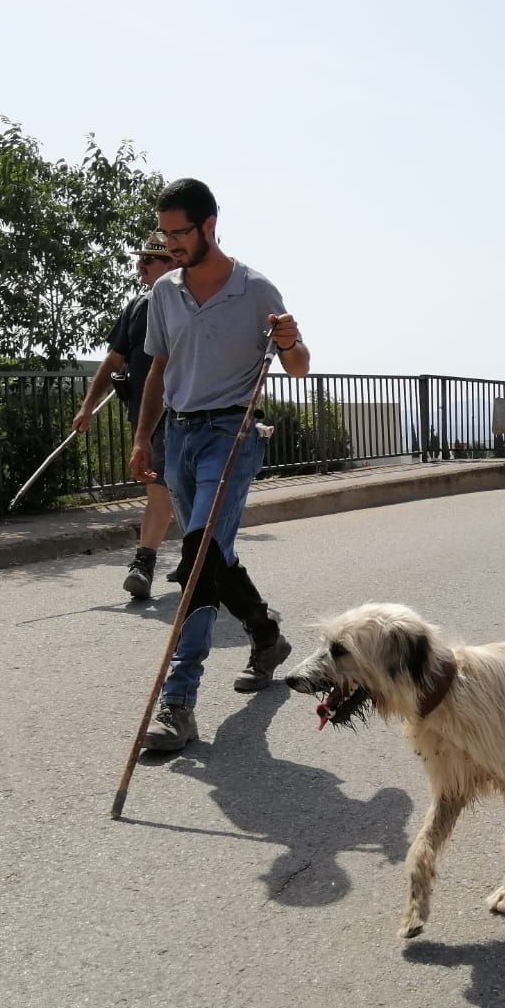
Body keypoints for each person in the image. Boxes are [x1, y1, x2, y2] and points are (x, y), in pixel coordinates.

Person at [129, 178, 311, 752]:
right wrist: (143, 439)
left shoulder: (256, 290)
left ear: (210, 225)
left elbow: (300, 366)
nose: (172, 244)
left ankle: (178, 703)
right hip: (179, 437)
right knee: (216, 553)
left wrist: (287, 340)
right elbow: (158, 370)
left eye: (181, 233)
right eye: (166, 234)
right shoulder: (165, 295)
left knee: (199, 557)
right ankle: (266, 635)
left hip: (232, 433)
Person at [73, 235, 182, 600]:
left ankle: (152, 561)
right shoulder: (138, 307)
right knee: (162, 489)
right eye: (142, 261)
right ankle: (175, 560)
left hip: (187, 415)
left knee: (168, 489)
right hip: (146, 419)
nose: (141, 267)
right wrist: (88, 405)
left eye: (150, 261)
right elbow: (114, 359)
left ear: (173, 265)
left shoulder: (191, 304)